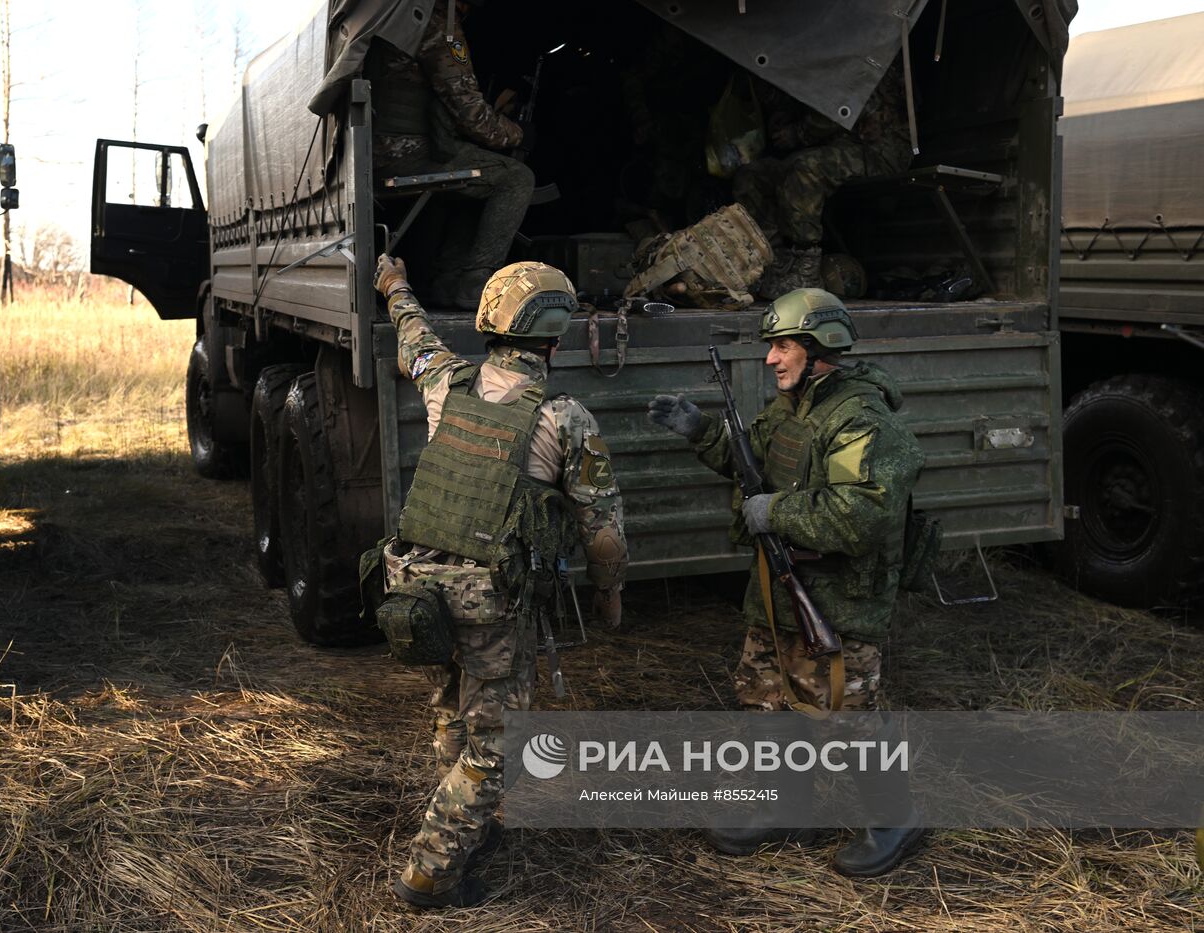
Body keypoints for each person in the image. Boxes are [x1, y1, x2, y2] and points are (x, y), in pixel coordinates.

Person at [373, 255, 628, 908]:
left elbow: (413, 336)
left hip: (420, 592)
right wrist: (610, 593)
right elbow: (602, 532)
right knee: (499, 743)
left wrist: (396, 285)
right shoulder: (565, 418)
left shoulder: (445, 382)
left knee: (454, 703)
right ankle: (430, 867)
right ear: (553, 335)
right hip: (491, 603)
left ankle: (467, 828)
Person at [647, 287, 925, 877]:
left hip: (839, 598)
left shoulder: (860, 418)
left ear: (820, 346)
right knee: (767, 702)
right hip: (777, 590)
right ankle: (788, 804)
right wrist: (703, 433)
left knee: (847, 716)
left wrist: (775, 514)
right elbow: (757, 467)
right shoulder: (792, 407)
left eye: (782, 345)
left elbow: (865, 513)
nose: (771, 358)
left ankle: (896, 818)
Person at [366, 0, 535, 310]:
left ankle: (448, 282)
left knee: (477, 179)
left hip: (380, 154)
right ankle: (475, 284)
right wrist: (519, 132)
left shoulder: (399, 18)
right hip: (409, 155)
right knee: (516, 178)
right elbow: (470, 113)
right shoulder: (437, 25)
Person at [729, 67, 911, 298]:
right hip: (835, 149)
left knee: (806, 169)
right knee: (751, 176)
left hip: (878, 152)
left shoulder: (861, 57)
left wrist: (797, 133)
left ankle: (806, 268)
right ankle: (770, 258)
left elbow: (836, 110)